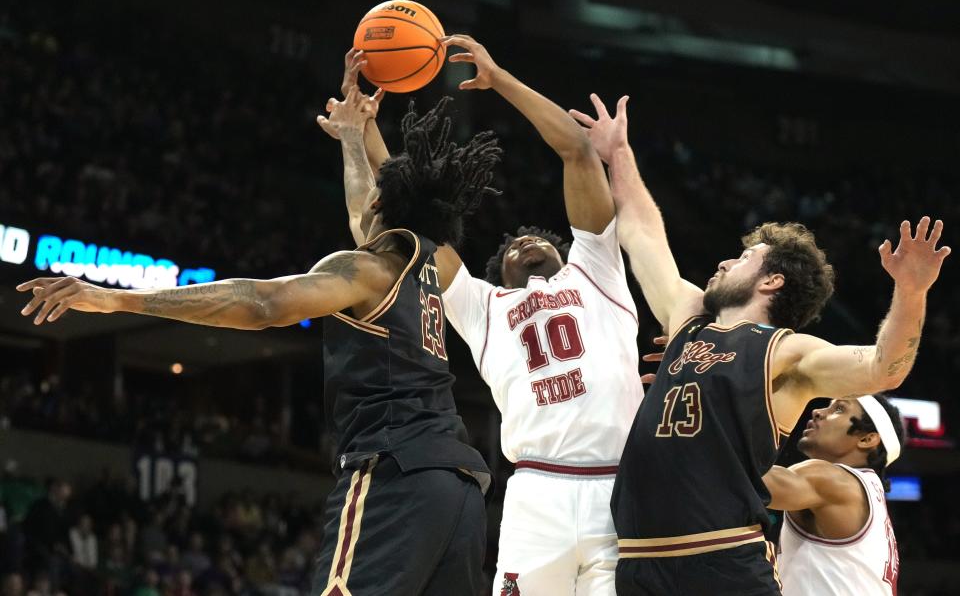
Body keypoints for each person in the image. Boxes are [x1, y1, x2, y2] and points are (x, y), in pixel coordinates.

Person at [17, 89, 502, 596]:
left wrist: (117, 300)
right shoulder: (433, 265)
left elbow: (264, 304)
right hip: (463, 487)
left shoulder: (366, 270)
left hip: (396, 470)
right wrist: (353, 139)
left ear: (384, 202)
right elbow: (366, 215)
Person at [568, 94, 949, 595]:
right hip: (639, 559)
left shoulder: (786, 353)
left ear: (771, 282)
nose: (726, 263)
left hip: (721, 558)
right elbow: (640, 230)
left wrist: (912, 291)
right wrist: (619, 154)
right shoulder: (687, 317)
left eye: (744, 257)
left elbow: (884, 368)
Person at [328, 37, 642, 596]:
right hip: (535, 491)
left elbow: (575, 149)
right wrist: (367, 131)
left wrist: (499, 79)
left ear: (565, 252)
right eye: (511, 245)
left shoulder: (597, 272)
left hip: (619, 489)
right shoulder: (484, 307)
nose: (522, 239)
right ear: (500, 272)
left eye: (534, 237)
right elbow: (410, 209)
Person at [764, 395, 903, 596]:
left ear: (867, 439)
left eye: (839, 409)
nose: (818, 412)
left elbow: (743, 480)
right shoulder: (869, 493)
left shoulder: (836, 482)